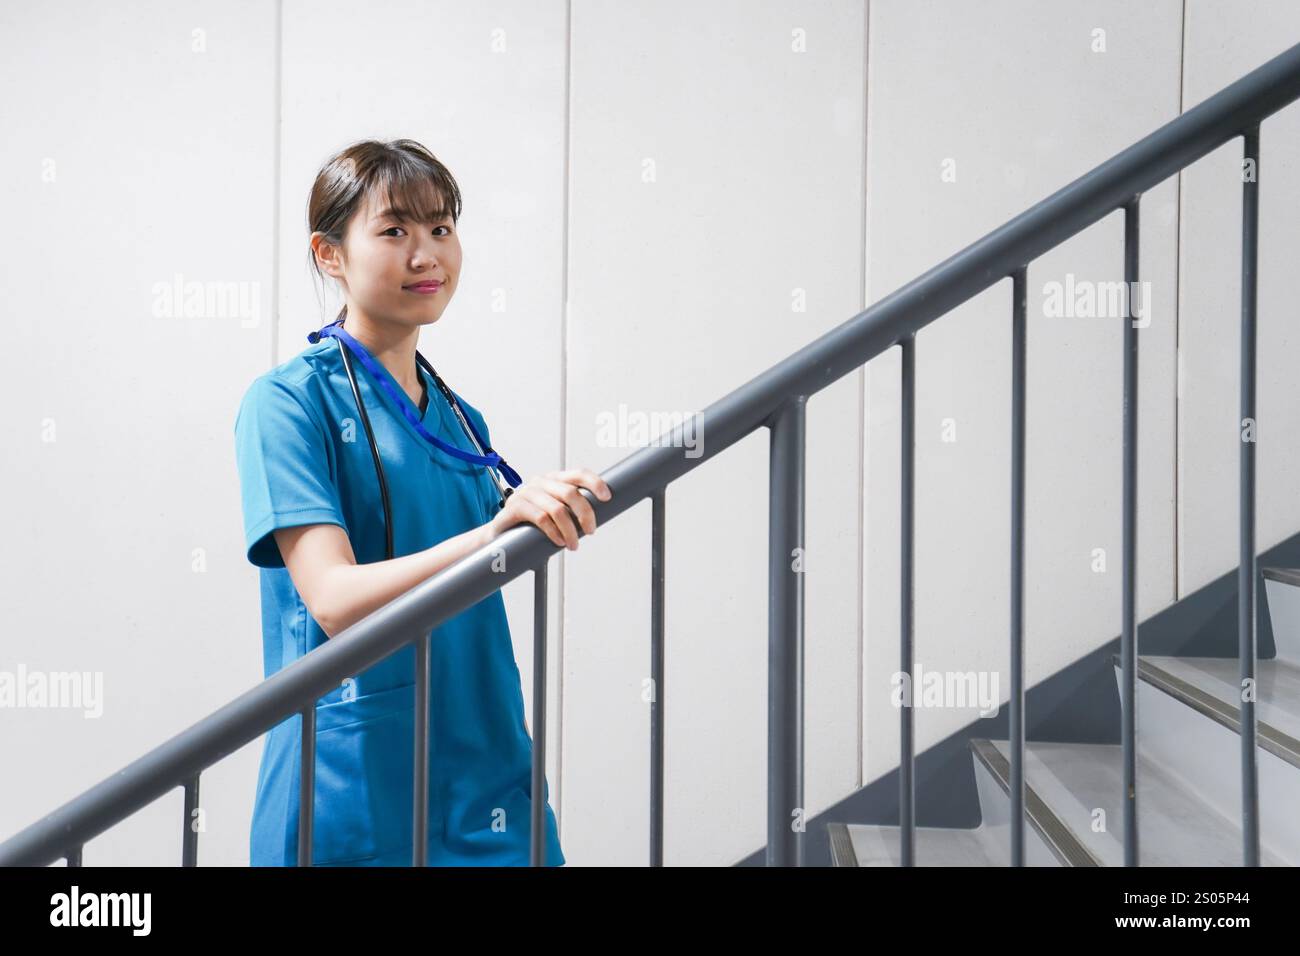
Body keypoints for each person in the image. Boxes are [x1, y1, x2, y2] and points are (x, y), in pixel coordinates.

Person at [234, 138, 611, 866]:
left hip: (484, 767)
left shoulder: (462, 419)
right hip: (354, 783)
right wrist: (499, 532)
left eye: (440, 228)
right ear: (330, 254)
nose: (425, 255)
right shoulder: (286, 405)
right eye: (394, 230)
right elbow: (334, 599)